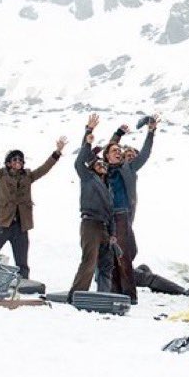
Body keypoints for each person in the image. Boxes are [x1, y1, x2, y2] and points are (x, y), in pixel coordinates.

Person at [0, 126, 67, 279]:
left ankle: (23, 287)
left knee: (22, 262)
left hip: (21, 227)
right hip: (4, 224)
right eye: (15, 159)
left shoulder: (28, 176)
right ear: (8, 163)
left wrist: (57, 153)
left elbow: (44, 169)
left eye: (21, 159)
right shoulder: (0, 175)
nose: (19, 162)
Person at [101, 116, 158, 304]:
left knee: (124, 255)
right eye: (115, 151)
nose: (118, 153)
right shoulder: (104, 169)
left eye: (120, 151)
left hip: (121, 215)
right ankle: (114, 290)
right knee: (110, 255)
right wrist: (117, 134)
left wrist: (151, 132)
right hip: (106, 217)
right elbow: (109, 148)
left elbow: (145, 154)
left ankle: (130, 295)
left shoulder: (129, 168)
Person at [68, 114, 117, 300]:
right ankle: (77, 295)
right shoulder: (88, 178)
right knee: (89, 262)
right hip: (90, 224)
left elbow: (111, 213)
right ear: (93, 167)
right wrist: (88, 133)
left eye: (104, 164)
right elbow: (80, 161)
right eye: (99, 163)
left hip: (104, 227)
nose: (103, 165)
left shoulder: (107, 187)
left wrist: (112, 234)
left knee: (106, 264)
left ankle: (104, 296)